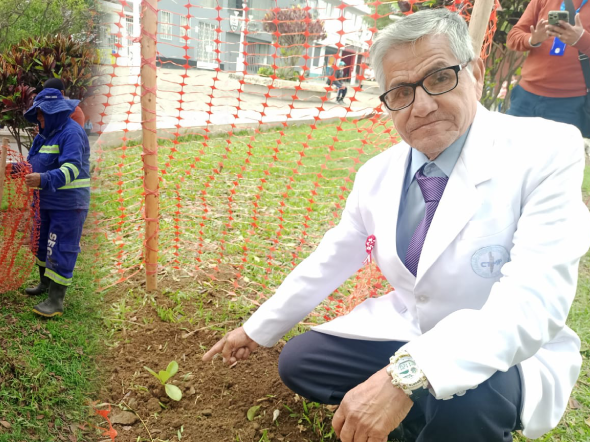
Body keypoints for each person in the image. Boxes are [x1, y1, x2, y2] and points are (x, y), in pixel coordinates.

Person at [202, 9, 590, 442]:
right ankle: (420, 410)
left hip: (506, 350)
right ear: (387, 101)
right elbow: (332, 256)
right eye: (401, 92)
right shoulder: (377, 174)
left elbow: (532, 304)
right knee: (302, 361)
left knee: (470, 399)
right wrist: (257, 328)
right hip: (410, 327)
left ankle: (439, 413)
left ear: (475, 74)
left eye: (440, 78)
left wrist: (405, 377)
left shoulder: (546, 150)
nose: (422, 106)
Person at [16, 88, 90, 318]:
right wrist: (18, 169)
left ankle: (56, 300)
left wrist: (44, 179)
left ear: (56, 113)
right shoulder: (43, 135)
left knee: (60, 247)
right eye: (37, 114)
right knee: (41, 243)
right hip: (44, 201)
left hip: (68, 204)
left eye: (42, 114)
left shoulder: (71, 133)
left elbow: (72, 168)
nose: (39, 119)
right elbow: (34, 162)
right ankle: (45, 284)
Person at [505, 0, 590, 131]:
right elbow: (513, 37)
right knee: (510, 149)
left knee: (561, 151)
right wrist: (533, 39)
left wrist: (581, 39)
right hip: (525, 97)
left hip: (570, 104)